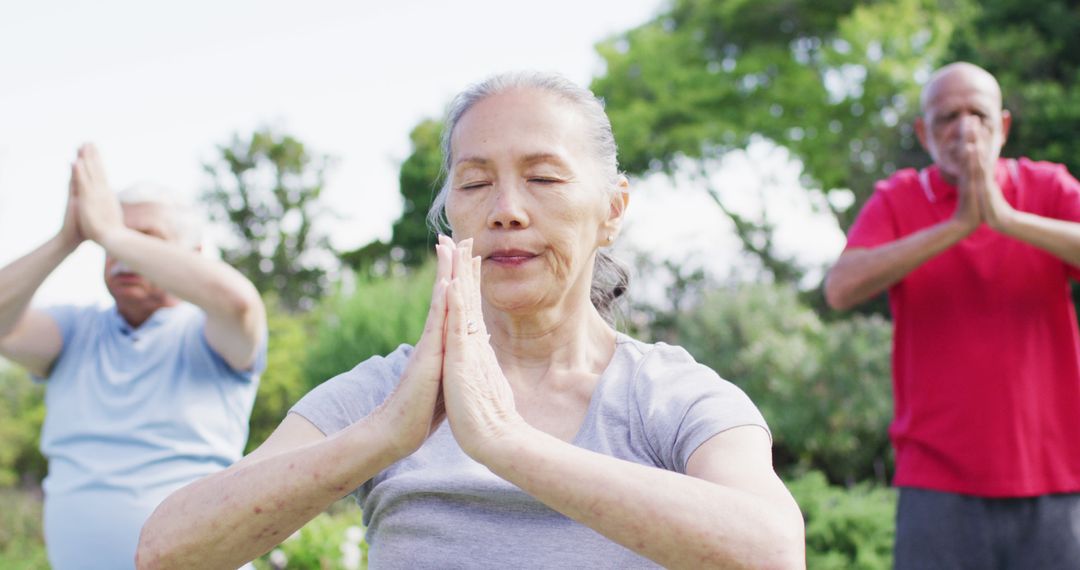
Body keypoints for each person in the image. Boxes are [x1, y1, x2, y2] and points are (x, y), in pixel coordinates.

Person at [136, 72, 805, 569]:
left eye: (544, 178)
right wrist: (382, 437)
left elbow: (774, 553)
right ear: (450, 211)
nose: (507, 209)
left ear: (612, 209)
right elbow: (167, 551)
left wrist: (508, 444)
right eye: (476, 182)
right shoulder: (386, 394)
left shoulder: (674, 397)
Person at [825, 62, 1080, 569]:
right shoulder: (899, 196)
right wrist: (959, 225)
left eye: (979, 114)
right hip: (936, 483)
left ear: (1003, 126)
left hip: (1056, 474)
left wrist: (1005, 218)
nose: (965, 130)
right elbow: (841, 288)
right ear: (923, 132)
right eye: (947, 117)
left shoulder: (1046, 185)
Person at [0, 144, 268, 570]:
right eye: (110, 239)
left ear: (192, 254)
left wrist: (112, 233)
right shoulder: (74, 332)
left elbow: (240, 304)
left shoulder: (209, 332)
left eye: (147, 238)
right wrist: (68, 238)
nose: (123, 253)